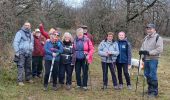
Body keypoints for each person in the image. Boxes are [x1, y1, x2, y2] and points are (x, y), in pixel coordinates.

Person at [139, 23, 163, 97]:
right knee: (147, 74)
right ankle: (150, 90)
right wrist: (142, 52)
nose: (149, 30)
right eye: (148, 29)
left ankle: (154, 92)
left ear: (154, 29)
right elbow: (143, 47)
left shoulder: (158, 38)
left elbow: (159, 49)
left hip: (153, 59)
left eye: (150, 29)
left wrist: (149, 53)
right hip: (146, 59)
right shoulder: (146, 37)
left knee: (152, 75)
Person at [13, 21, 34, 86]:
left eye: (28, 25)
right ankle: (20, 81)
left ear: (30, 26)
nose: (27, 26)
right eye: (26, 25)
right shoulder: (19, 33)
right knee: (21, 66)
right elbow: (15, 42)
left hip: (29, 52)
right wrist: (17, 52)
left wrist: (32, 48)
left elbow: (32, 42)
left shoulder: (31, 33)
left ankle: (28, 78)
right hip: (21, 53)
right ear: (23, 26)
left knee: (28, 66)